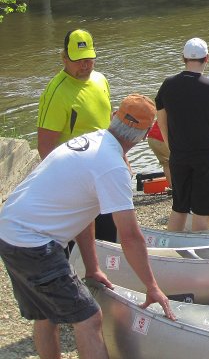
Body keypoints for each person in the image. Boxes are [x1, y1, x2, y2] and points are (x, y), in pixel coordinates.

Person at [0, 94, 175, 359]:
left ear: (115, 117)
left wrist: (92, 267)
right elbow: (130, 236)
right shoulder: (112, 166)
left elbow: (83, 213)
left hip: (9, 229)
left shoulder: (91, 140)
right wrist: (152, 287)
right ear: (142, 136)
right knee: (90, 318)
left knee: (47, 314)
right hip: (33, 243)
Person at [37, 28, 117, 243]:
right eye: (78, 60)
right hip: (75, 179)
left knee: (109, 234)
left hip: (103, 174)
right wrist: (65, 184)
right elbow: (45, 146)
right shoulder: (56, 92)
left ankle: (106, 272)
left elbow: (107, 121)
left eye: (89, 59)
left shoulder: (101, 80)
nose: (85, 65)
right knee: (76, 240)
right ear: (64, 58)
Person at [155, 38, 209, 232]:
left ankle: (169, 252)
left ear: (183, 58)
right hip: (207, 158)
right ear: (207, 58)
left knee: (179, 208)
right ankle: (200, 257)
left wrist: (172, 147)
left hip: (179, 156)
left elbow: (162, 120)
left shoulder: (168, 85)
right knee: (201, 211)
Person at [147, 120, 171, 188]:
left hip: (151, 137)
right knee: (177, 163)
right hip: (162, 138)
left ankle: (173, 187)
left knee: (166, 164)